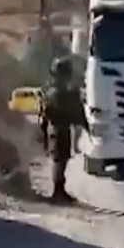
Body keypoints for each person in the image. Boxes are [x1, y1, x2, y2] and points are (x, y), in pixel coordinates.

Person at [41, 55, 85, 203]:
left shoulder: (54, 92)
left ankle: (59, 189)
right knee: (60, 159)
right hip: (58, 129)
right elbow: (72, 112)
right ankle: (58, 190)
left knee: (61, 158)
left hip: (59, 129)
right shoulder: (57, 93)